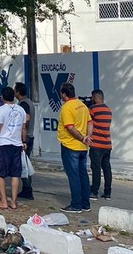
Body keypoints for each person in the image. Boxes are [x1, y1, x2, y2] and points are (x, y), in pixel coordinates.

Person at [0, 86, 27, 210]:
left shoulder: (1, 109)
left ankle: (3, 201)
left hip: (3, 144)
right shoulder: (21, 110)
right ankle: (14, 202)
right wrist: (24, 141)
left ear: (2, 97)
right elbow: (23, 128)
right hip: (16, 144)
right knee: (15, 174)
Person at [57, 82, 92, 213]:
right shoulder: (82, 105)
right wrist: (88, 136)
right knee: (83, 174)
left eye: (61, 93)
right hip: (83, 147)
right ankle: (85, 203)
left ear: (64, 94)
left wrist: (83, 138)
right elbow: (90, 122)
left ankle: (76, 205)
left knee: (74, 175)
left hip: (70, 145)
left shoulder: (67, 107)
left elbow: (70, 127)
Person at [88, 89, 113, 200]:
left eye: (92, 98)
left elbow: (88, 121)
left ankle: (94, 191)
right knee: (107, 168)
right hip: (107, 144)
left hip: (96, 144)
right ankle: (107, 192)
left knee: (96, 168)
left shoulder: (93, 109)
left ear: (95, 98)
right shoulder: (108, 110)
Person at [13, 82, 35, 200]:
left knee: (23, 165)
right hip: (28, 137)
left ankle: (27, 189)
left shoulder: (23, 104)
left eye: (15, 90)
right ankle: (26, 189)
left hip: (25, 138)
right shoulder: (28, 102)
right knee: (25, 163)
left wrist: (22, 138)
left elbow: (25, 121)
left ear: (18, 92)